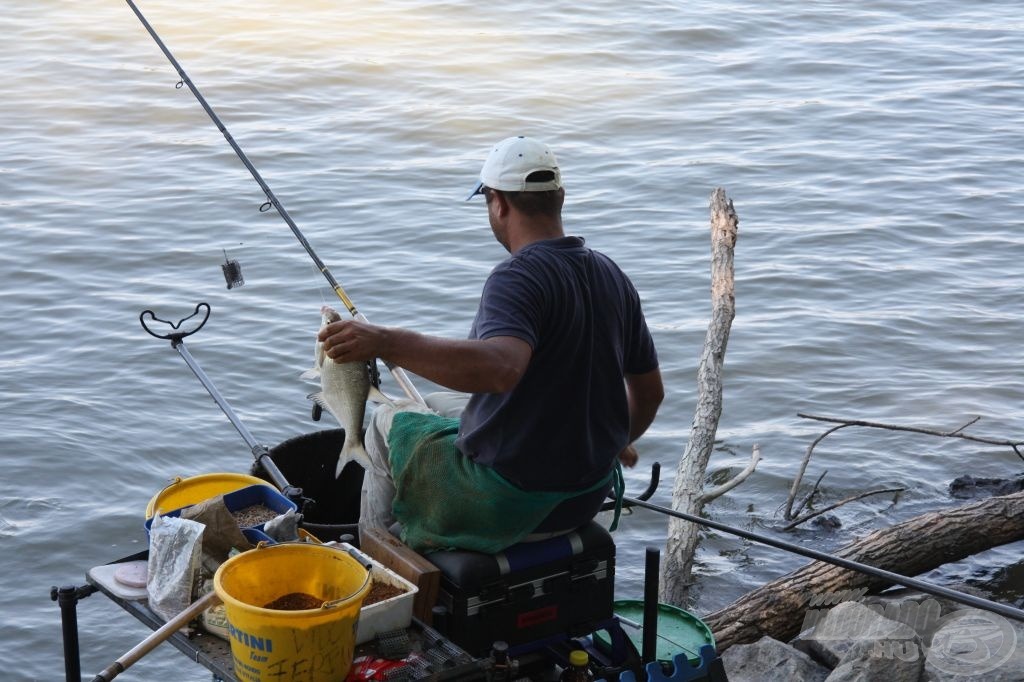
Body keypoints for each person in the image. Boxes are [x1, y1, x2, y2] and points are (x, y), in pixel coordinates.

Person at [319, 135, 663, 553]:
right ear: (560, 197)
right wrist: (610, 440)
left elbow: (499, 369)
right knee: (432, 403)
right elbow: (649, 392)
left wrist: (386, 342)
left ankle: (379, 562)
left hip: (512, 500)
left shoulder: (517, 277)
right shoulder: (612, 275)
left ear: (498, 203)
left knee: (383, 423)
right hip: (583, 495)